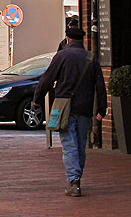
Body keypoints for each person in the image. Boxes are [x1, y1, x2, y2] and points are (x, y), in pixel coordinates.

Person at [33, 27, 107, 197]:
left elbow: (47, 78)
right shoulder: (91, 58)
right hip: (85, 107)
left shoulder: (61, 56)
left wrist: (37, 98)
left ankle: (74, 180)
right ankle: (77, 176)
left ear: (67, 39)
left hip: (64, 106)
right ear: (82, 41)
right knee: (80, 143)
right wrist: (101, 109)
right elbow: (100, 85)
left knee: (68, 143)